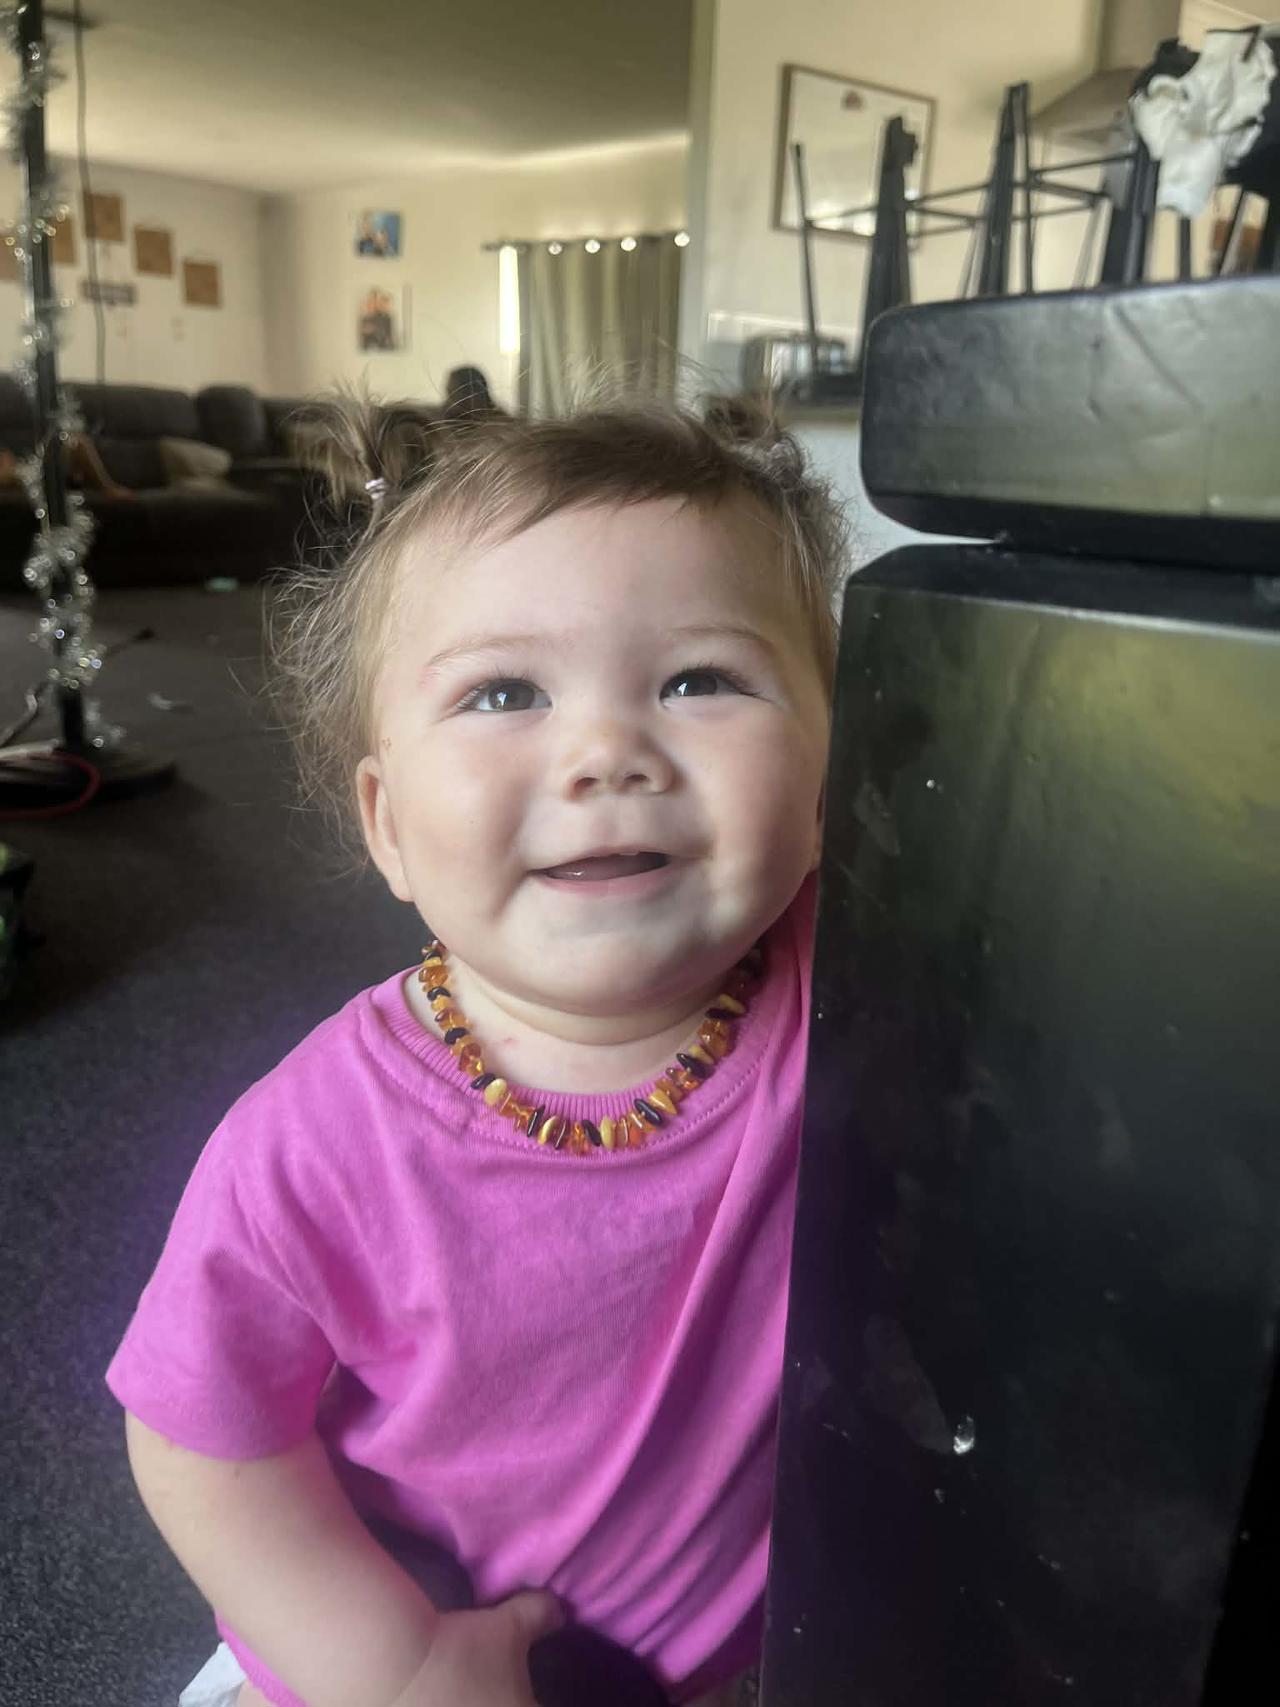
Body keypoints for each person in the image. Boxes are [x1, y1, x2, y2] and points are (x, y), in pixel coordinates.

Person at [106, 396, 848, 1707]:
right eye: (504, 693)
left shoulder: (847, 985)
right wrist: (393, 1666)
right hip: (393, 1647)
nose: (607, 752)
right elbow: (200, 1435)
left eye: (701, 680)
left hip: (715, 1665)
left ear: (833, 766)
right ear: (389, 824)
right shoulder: (315, 1145)